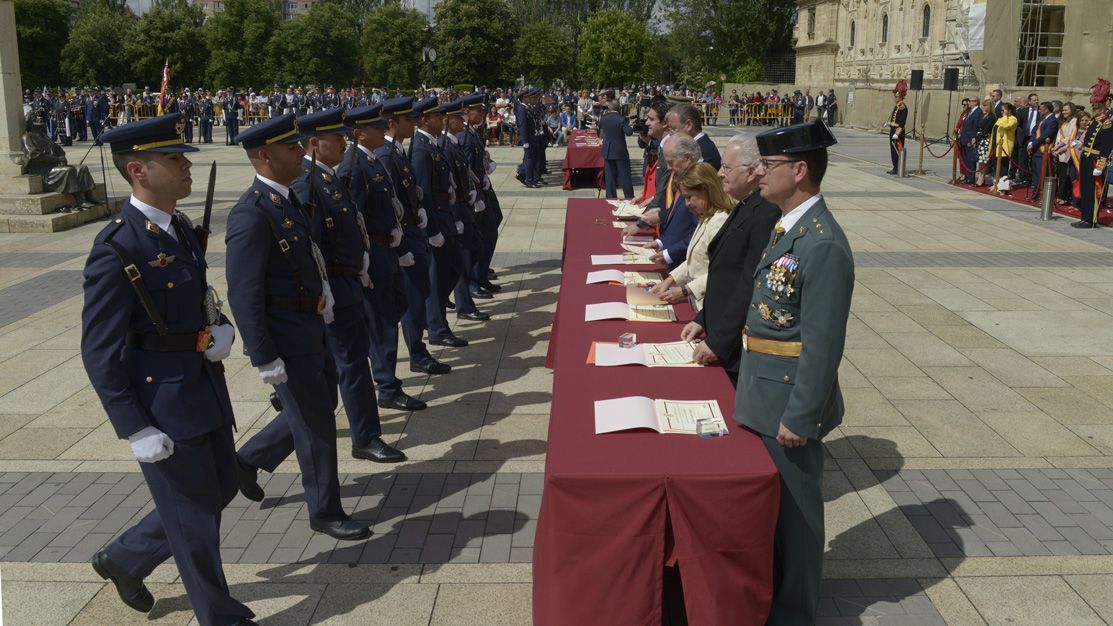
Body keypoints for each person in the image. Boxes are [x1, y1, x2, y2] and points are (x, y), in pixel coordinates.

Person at [81, 114, 256, 625]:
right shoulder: (117, 247)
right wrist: (134, 427)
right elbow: (98, 350)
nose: (186, 166)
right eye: (174, 159)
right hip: (163, 402)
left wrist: (217, 325)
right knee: (195, 519)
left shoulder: (176, 224)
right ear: (138, 170)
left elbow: (195, 295)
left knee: (221, 488)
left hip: (202, 386)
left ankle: (125, 558)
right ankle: (219, 616)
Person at [226, 113, 371, 542]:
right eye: (291, 148)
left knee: (321, 404)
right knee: (315, 424)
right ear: (265, 156)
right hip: (287, 336)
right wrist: (263, 355)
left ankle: (248, 459)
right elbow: (244, 293)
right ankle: (324, 509)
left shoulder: (284, 199)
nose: (301, 151)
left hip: (310, 324)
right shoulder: (251, 214)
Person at [737, 119, 853, 625]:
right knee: (775, 515)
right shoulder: (789, 226)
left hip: (787, 403)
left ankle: (794, 613)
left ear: (800, 170)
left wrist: (801, 417)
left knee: (799, 519)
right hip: (763, 391)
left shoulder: (821, 242)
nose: (761, 173)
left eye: (771, 165)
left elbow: (823, 346)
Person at [296, 107, 407, 463]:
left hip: (349, 283)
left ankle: (253, 456)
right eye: (335, 137)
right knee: (351, 369)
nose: (343, 140)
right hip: (334, 292)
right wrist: (324, 291)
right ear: (315, 143)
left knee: (345, 370)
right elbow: (311, 250)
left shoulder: (329, 179)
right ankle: (366, 437)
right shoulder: (309, 185)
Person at [338, 103, 428, 412]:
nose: (383, 131)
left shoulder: (372, 161)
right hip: (373, 254)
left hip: (386, 248)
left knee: (391, 312)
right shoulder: (353, 166)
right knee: (381, 324)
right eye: (377, 128)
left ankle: (384, 377)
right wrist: (361, 259)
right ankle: (387, 384)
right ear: (360, 133)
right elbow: (355, 217)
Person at [680, 132, 781, 384]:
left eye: (726, 167)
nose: (720, 173)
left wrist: (718, 341)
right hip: (719, 333)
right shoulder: (746, 203)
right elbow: (723, 273)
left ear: (753, 171)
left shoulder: (765, 211)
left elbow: (748, 283)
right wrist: (703, 319)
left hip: (735, 350)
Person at [377, 96, 455, 375]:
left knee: (418, 292)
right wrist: (401, 243)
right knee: (410, 299)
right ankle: (416, 353)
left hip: (413, 230)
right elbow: (387, 204)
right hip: (404, 236)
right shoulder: (387, 156)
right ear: (392, 123)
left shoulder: (397, 152)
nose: (414, 122)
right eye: (408, 119)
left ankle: (418, 348)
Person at [411, 96, 469, 349]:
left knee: (453, 268)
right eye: (437, 116)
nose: (441, 120)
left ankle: (432, 316)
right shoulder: (422, 150)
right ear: (425, 120)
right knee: (437, 278)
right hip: (436, 220)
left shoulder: (433, 145)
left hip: (445, 215)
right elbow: (422, 193)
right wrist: (432, 230)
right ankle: (437, 327)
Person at [648, 162, 732, 310]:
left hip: (711, 305)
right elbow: (695, 261)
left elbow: (721, 271)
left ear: (706, 190)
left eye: (689, 197)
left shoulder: (720, 222)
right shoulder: (706, 216)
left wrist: (685, 290)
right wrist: (669, 281)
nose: (687, 204)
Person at [441, 96, 490, 322]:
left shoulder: (453, 142)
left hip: (465, 203)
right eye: (459, 116)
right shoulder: (445, 145)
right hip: (457, 208)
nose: (464, 119)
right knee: (462, 256)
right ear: (449, 121)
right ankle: (463, 302)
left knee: (473, 249)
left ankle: (462, 296)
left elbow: (465, 171)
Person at [643, 134, 700, 271]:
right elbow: (678, 218)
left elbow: (697, 233)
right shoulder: (682, 176)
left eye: (671, 162)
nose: (668, 168)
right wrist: (660, 242)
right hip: (671, 258)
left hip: (683, 264)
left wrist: (669, 254)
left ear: (687, 158)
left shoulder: (699, 183)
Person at [1073, 79, 1113, 228]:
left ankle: (1091, 220)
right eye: (1093, 106)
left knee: (1092, 191)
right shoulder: (1093, 121)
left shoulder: (1107, 123)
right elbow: (1088, 138)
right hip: (1086, 158)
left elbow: (1107, 146)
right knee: (1085, 189)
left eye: (1096, 107)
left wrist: (1101, 165)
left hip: (1095, 160)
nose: (1094, 109)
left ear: (1103, 108)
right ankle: (1084, 217)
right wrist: (1080, 143)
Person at [598, 90, 635, 199]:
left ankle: (610, 198)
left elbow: (601, 127)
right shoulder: (621, 119)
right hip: (619, 151)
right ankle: (629, 197)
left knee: (610, 179)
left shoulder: (604, 118)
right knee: (625, 177)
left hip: (608, 150)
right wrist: (631, 125)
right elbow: (629, 132)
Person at [668, 102, 720, 169]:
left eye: (673, 129)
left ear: (688, 125)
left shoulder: (701, 152)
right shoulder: (697, 146)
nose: (669, 134)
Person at [1029, 102, 1059, 196]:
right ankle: (1035, 191)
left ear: (1046, 109)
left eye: (1041, 108)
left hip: (1043, 150)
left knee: (1041, 172)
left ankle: (1040, 193)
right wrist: (1030, 143)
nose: (1039, 110)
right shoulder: (1042, 118)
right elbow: (1034, 131)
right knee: (1035, 172)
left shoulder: (1053, 120)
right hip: (1036, 149)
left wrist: (1033, 144)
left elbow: (1045, 135)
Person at [1052, 103, 1079, 205]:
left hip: (1068, 152)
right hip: (1060, 152)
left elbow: (1069, 138)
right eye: (1063, 110)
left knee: (1066, 176)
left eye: (1066, 110)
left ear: (1072, 110)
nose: (1064, 112)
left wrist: (1059, 148)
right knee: (1061, 175)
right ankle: (1061, 195)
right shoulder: (1065, 122)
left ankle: (1064, 196)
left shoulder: (1074, 121)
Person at [992, 103, 1018, 185]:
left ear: (1009, 111)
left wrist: (1005, 116)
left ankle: (1003, 186)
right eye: (1001, 110)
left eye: (1004, 110)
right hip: (998, 144)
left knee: (1003, 166)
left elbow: (1006, 126)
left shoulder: (1013, 119)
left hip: (1005, 146)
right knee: (997, 166)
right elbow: (997, 125)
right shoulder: (1002, 118)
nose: (1002, 112)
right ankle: (997, 183)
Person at [959, 96, 982, 184]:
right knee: (966, 159)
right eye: (969, 101)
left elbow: (975, 127)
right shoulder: (970, 111)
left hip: (970, 140)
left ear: (976, 102)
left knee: (970, 160)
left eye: (971, 101)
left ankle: (971, 178)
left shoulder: (978, 112)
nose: (969, 103)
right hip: (964, 139)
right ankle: (967, 176)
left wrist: (973, 140)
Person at [974, 99, 997, 187]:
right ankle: (980, 176)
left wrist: (976, 138)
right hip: (980, 139)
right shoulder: (983, 115)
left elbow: (986, 129)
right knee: (980, 160)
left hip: (986, 140)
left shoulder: (991, 117)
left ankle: (982, 178)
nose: (984, 107)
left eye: (985, 105)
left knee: (984, 160)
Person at [886, 81, 908, 175]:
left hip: (897, 132)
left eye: (897, 96)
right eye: (895, 96)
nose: (895, 98)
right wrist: (889, 123)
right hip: (893, 130)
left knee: (897, 150)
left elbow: (901, 123)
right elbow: (894, 119)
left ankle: (897, 167)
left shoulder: (903, 107)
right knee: (892, 150)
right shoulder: (898, 106)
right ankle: (895, 166)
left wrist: (896, 133)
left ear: (901, 97)